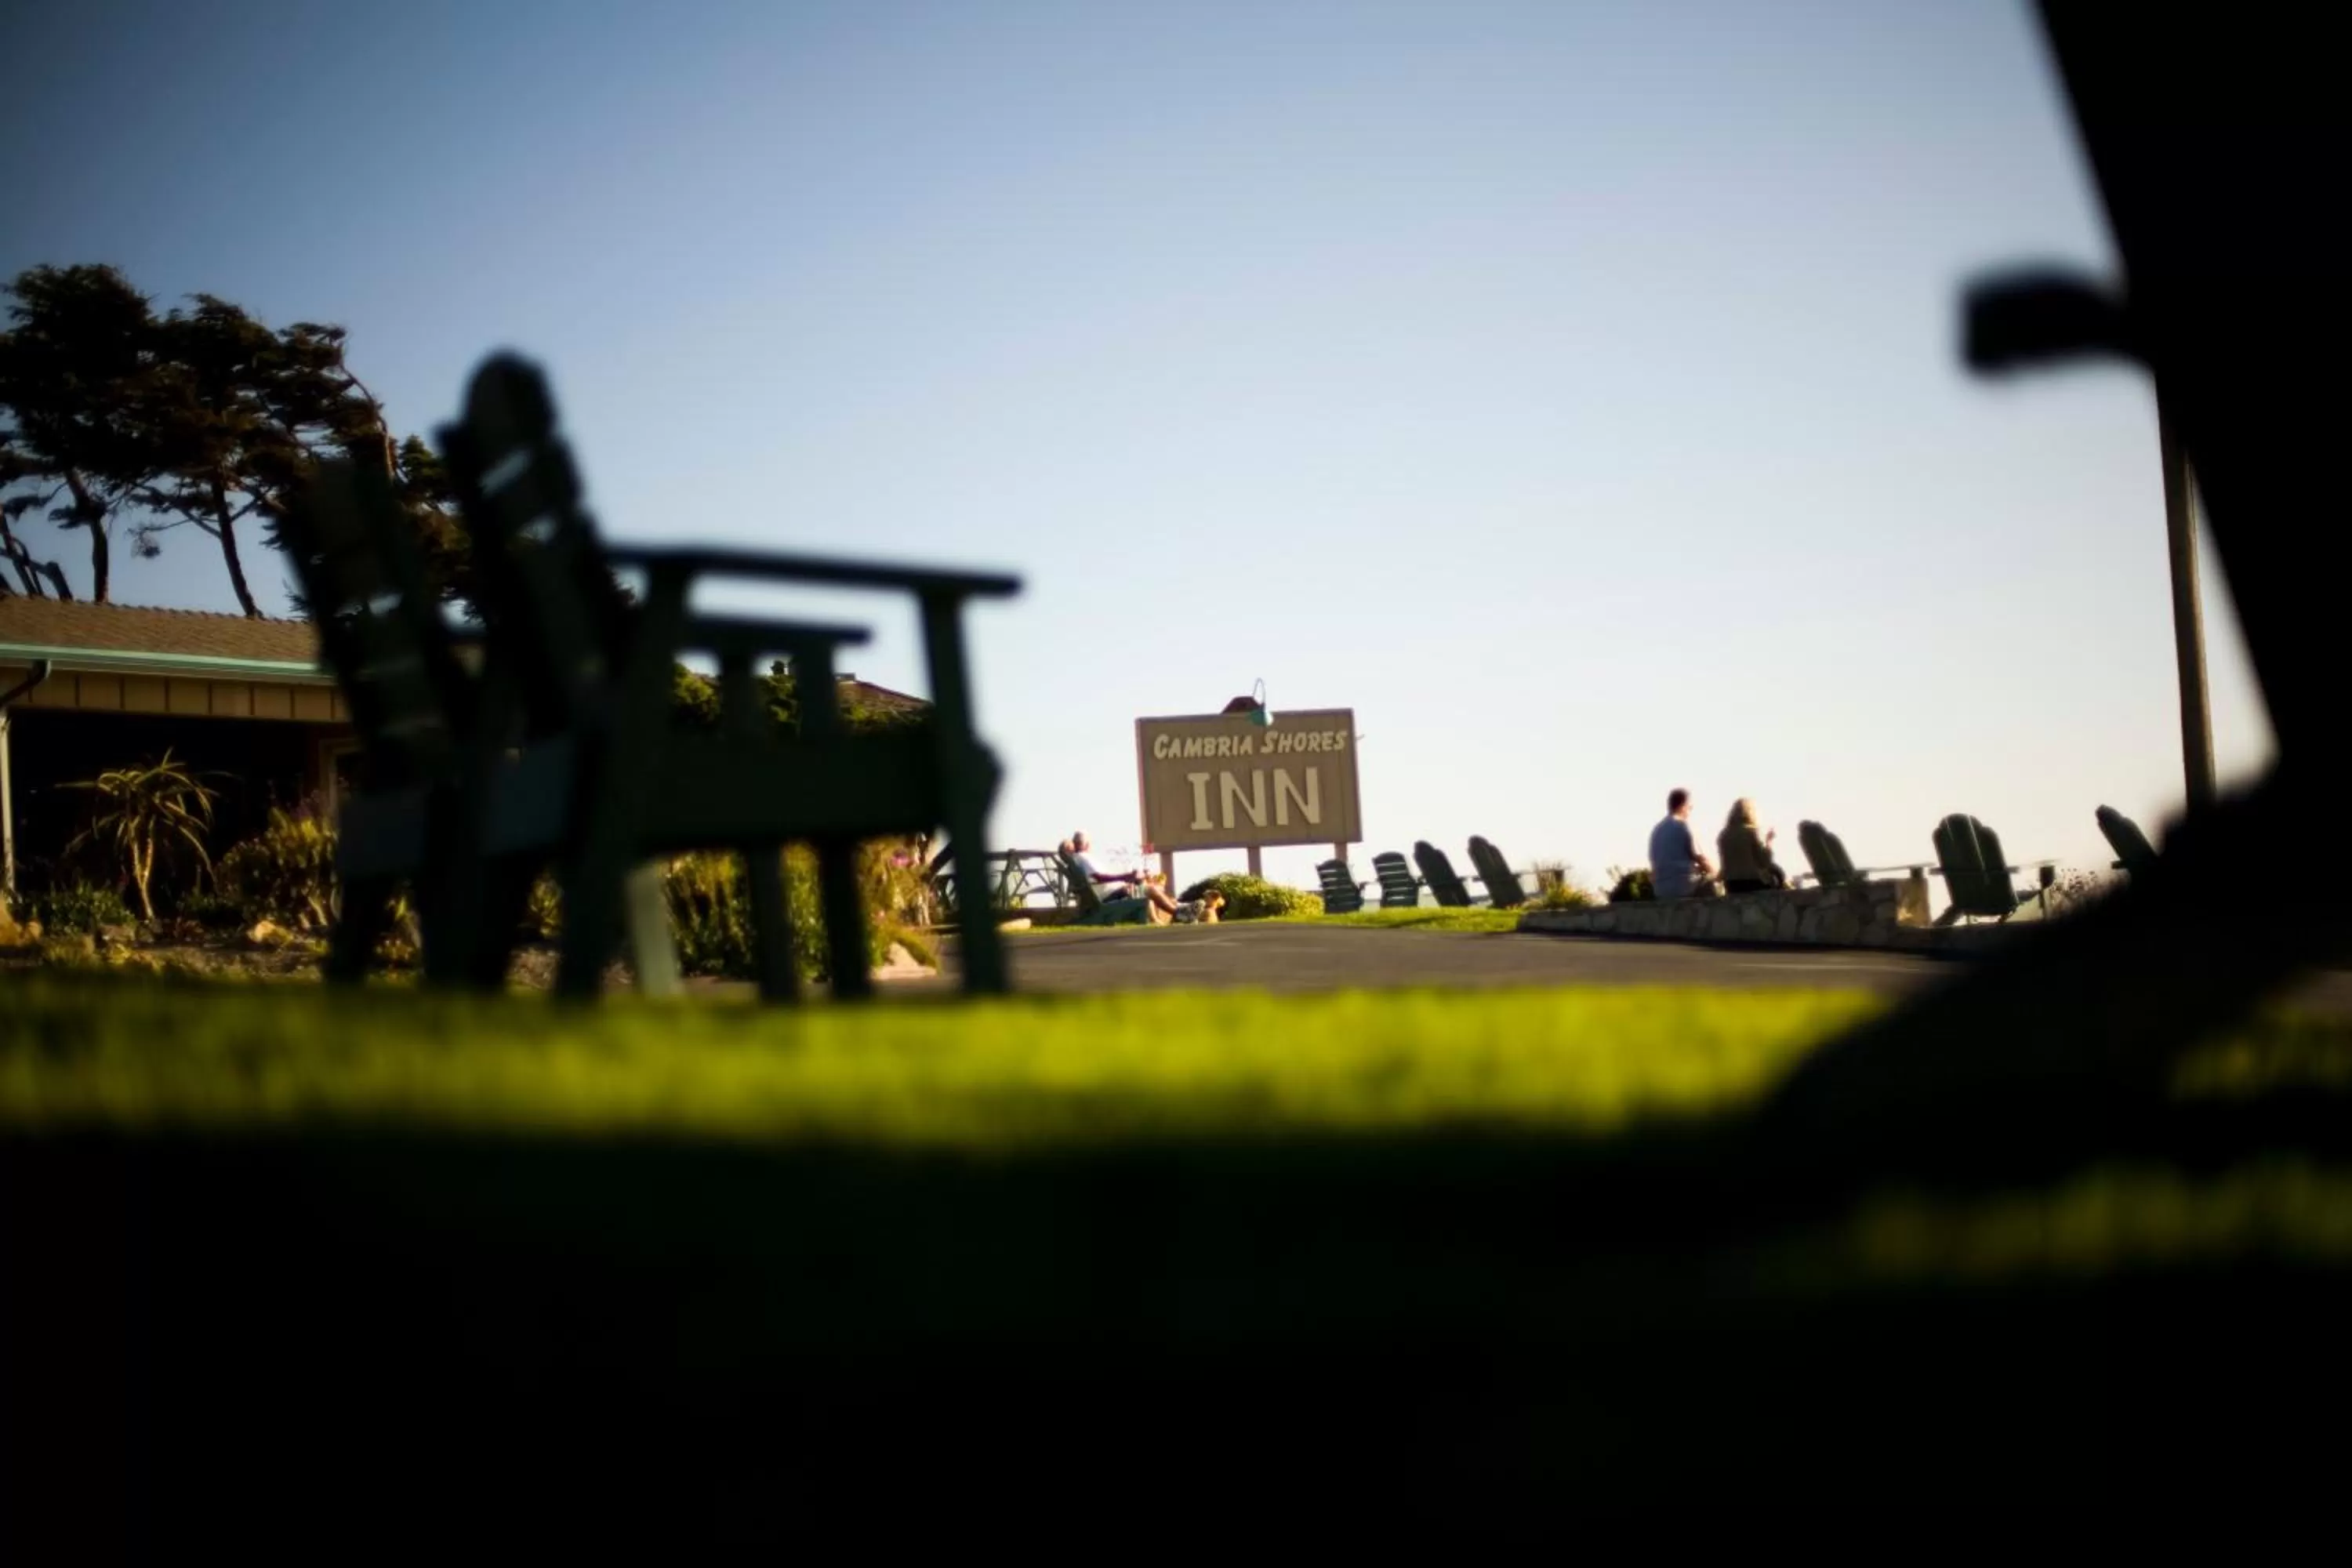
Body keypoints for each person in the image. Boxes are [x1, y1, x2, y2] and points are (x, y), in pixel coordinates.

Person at [1069, 830, 1185, 923]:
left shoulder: (1076, 859)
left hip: (1108, 893)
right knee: (1151, 889)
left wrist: (1127, 879)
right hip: (1110, 896)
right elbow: (1098, 877)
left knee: (1148, 886)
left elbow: (1096, 878)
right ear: (1087, 844)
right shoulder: (1084, 858)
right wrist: (1125, 877)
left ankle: (1180, 910)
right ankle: (1179, 913)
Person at [1647, 788, 1716, 899]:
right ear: (1683, 805)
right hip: (1684, 886)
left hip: (1660, 890)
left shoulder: (1657, 830)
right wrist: (1716, 874)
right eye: (1690, 807)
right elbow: (1701, 858)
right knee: (1712, 882)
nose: (1690, 811)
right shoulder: (1683, 825)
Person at [1717, 798, 1789, 894]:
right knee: (1778, 874)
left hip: (1731, 885)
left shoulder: (1723, 835)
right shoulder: (1752, 832)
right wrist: (1768, 841)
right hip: (1753, 882)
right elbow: (1765, 861)